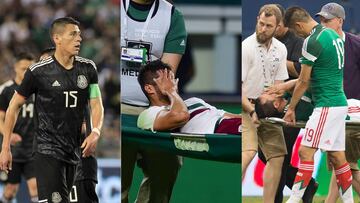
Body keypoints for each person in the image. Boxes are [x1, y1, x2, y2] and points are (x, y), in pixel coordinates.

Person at [0, 17, 104, 203]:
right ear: (57, 38)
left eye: (79, 34)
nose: (79, 39)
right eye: (73, 34)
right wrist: (5, 146)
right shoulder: (38, 72)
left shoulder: (88, 68)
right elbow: (13, 106)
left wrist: (95, 131)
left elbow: (96, 104)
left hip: (74, 151)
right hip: (46, 148)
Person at [283, 6, 353, 203]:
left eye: (296, 31)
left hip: (326, 104)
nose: (298, 35)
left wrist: (291, 108)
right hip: (339, 102)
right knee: (338, 157)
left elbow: (304, 81)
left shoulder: (312, 41)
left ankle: (294, 200)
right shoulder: (334, 36)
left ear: (297, 25)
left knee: (305, 151)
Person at [120, 0, 187, 202]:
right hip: (118, 109)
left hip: (154, 111)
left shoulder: (172, 15)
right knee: (119, 184)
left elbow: (166, 76)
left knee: (162, 183)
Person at [313, 3, 360, 202]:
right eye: (321, 20)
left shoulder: (356, 45)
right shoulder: (319, 44)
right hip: (332, 113)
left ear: (340, 21)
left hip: (352, 114)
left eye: (328, 20)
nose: (323, 24)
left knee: (345, 163)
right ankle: (329, 201)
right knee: (339, 162)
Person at [242, 4, 288, 202]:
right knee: (248, 152)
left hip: (267, 110)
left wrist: (279, 106)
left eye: (268, 26)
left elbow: (278, 86)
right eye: (261, 23)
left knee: (277, 156)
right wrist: (252, 111)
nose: (263, 29)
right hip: (246, 106)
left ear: (278, 27)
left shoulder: (281, 49)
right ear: (257, 20)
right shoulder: (246, 47)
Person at [40, 47, 99, 203]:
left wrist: (94, 131)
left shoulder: (75, 86)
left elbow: (86, 124)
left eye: (45, 63)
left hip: (77, 163)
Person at [136, 60, 240, 134]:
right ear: (149, 88)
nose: (173, 84)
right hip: (221, 130)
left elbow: (230, 116)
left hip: (232, 124)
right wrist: (171, 91)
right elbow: (180, 116)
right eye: (166, 80)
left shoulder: (194, 101)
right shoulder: (148, 115)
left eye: (172, 78)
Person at [0, 53, 37, 203]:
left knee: (35, 187)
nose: (26, 72)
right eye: (23, 69)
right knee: (10, 189)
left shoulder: (37, 89)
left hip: (33, 148)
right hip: (12, 150)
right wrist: (9, 135)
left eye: (29, 69)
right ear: (15, 68)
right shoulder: (6, 90)